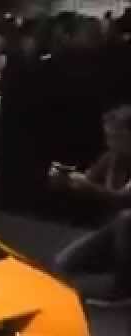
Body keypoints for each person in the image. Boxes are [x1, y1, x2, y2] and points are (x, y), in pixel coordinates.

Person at [51, 106, 131, 306]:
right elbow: (88, 182)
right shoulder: (111, 157)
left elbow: (123, 199)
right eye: (108, 136)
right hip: (113, 232)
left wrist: (87, 186)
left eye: (116, 137)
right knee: (63, 262)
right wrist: (65, 181)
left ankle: (124, 287)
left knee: (126, 218)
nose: (110, 142)